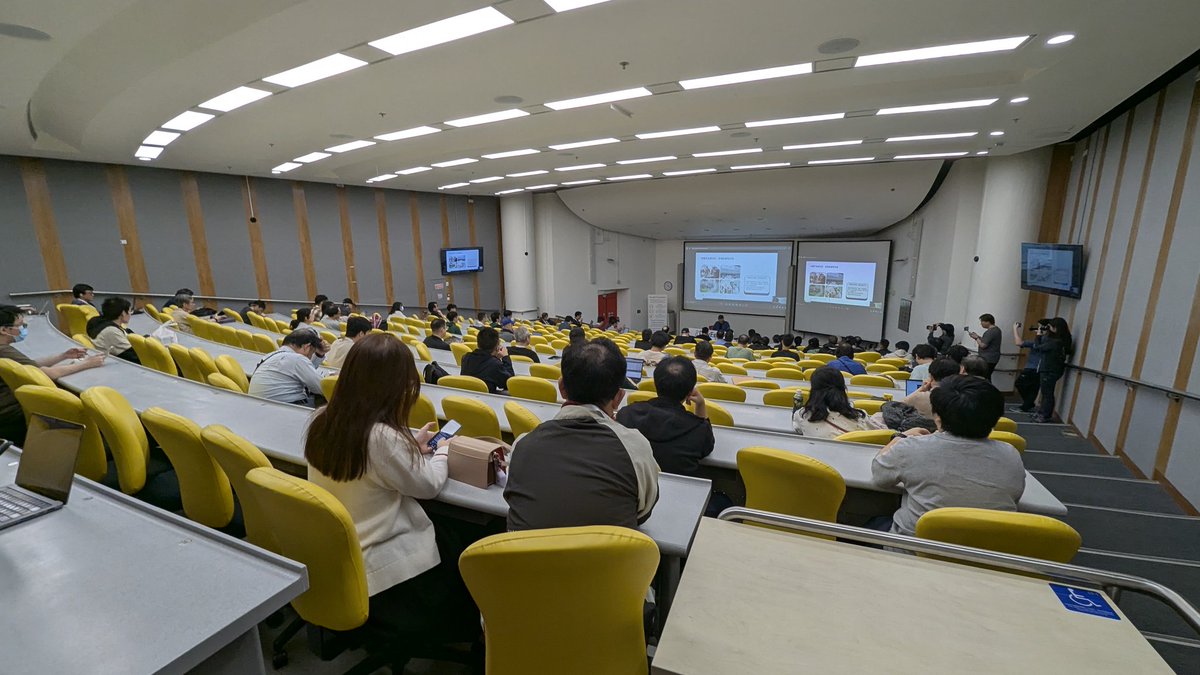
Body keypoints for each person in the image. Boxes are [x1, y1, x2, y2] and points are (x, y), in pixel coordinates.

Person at [304, 334, 480, 642]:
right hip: (383, 566)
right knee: (469, 541)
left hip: (342, 554)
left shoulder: (322, 418)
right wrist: (443, 451)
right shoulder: (382, 437)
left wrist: (409, 447)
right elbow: (429, 486)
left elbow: (371, 464)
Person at [505, 338, 659, 530]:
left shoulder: (522, 447)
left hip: (528, 559)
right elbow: (643, 513)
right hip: (609, 559)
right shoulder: (636, 448)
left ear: (561, 388)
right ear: (619, 397)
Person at [870, 375, 1025, 536]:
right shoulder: (1011, 454)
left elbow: (879, 477)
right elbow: (1014, 497)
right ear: (995, 420)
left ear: (937, 416)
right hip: (985, 552)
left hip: (913, 549)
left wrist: (899, 437)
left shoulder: (911, 447)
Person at [0, 305, 105, 444]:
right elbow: (46, 374)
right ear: (4, 330)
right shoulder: (4, 350)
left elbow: (30, 365)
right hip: (12, 412)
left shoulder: (4, 350)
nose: (23, 328)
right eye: (20, 325)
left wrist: (63, 356)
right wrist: (88, 363)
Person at [793, 367, 886, 439]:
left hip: (818, 463)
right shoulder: (861, 417)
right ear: (843, 389)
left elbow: (798, 429)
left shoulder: (802, 416)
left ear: (813, 390)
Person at [247, 330, 325, 405]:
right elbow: (321, 388)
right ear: (306, 347)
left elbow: (306, 372)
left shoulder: (270, 356)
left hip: (260, 405)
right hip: (286, 407)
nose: (310, 357)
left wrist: (319, 355)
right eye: (311, 354)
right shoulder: (297, 359)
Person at [1031, 317, 1072, 423]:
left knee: (1047, 393)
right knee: (1046, 393)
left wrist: (1038, 336)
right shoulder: (1062, 339)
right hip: (1053, 369)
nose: (1048, 329)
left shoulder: (1056, 342)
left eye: (1051, 327)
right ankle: (1043, 413)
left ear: (1056, 328)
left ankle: (1045, 415)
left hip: (1049, 369)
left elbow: (1037, 347)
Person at [460, 327, 514, 394]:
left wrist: (495, 358)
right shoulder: (495, 364)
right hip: (486, 401)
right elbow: (510, 383)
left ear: (478, 344)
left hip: (466, 397)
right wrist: (505, 357)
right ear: (497, 346)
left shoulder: (466, 357)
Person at [85, 297, 139, 363]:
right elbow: (134, 355)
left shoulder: (99, 322)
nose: (131, 313)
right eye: (130, 311)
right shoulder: (111, 331)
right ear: (123, 313)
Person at [1012, 320, 1048, 413]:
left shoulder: (1042, 340)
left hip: (1033, 368)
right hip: (1038, 368)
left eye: (1040, 327)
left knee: (1020, 384)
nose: (1037, 329)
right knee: (1033, 388)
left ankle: (1027, 404)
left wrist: (1015, 329)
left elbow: (1018, 342)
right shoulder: (1043, 340)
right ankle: (1028, 404)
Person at [969, 313, 1002, 380]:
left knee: (984, 377)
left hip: (988, 358)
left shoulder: (990, 332)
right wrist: (978, 337)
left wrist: (976, 338)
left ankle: (987, 390)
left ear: (988, 322)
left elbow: (983, 345)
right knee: (987, 376)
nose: (981, 324)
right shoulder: (997, 330)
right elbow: (987, 341)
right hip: (993, 358)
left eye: (982, 321)